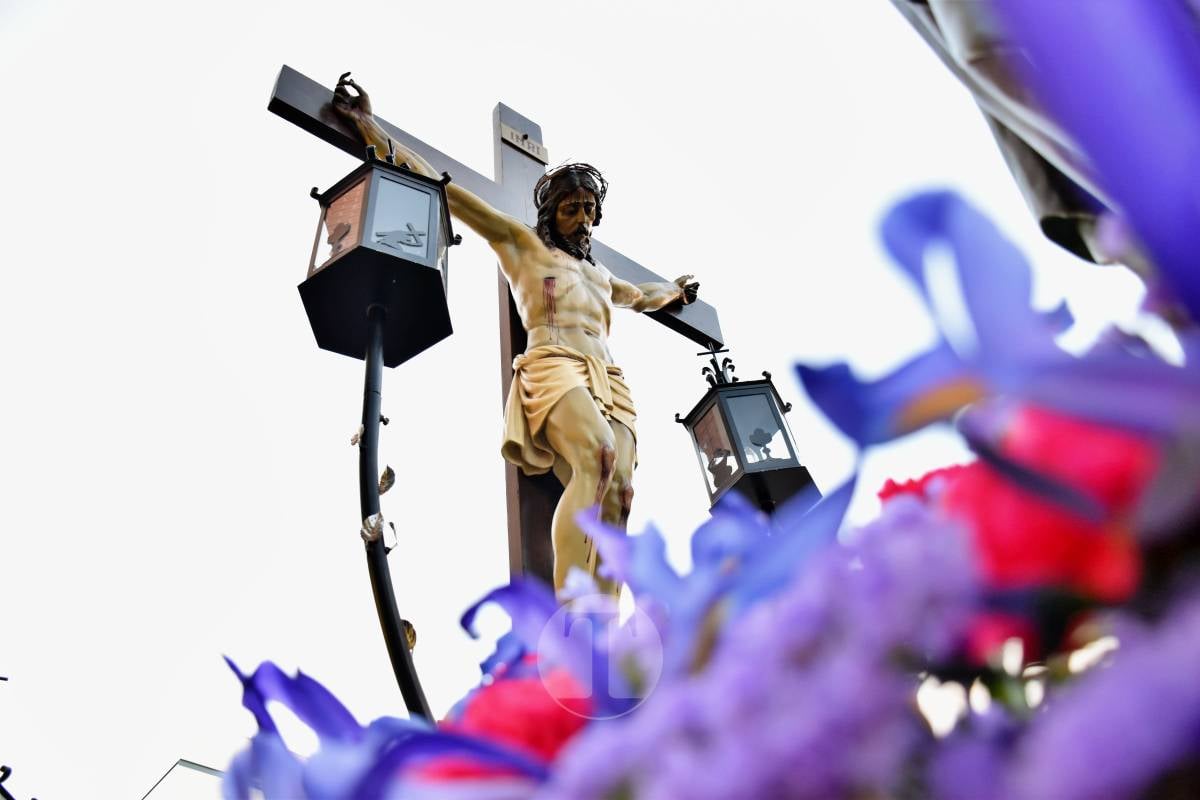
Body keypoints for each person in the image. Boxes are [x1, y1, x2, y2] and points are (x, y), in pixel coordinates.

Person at [333, 75, 699, 593]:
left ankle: (603, 626)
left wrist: (677, 291)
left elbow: (642, 296)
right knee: (597, 458)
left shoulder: (599, 275)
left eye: (589, 209)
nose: (583, 218)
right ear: (551, 213)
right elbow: (447, 192)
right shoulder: (522, 245)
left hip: (609, 378)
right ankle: (572, 606)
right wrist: (368, 126)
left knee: (621, 491)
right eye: (572, 208)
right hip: (554, 363)